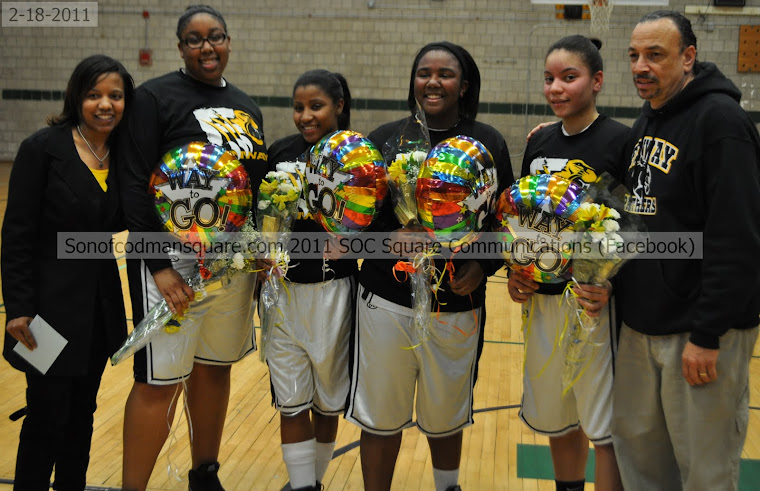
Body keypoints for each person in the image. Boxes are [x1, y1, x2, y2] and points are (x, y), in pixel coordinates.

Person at [344, 41, 514, 491]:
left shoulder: (487, 143)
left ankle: (448, 486)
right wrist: (387, 240)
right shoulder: (384, 139)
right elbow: (356, 222)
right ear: (413, 81)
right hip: (386, 300)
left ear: (464, 86)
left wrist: (484, 266)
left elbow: (503, 220)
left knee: (445, 415)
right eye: (424, 72)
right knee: (380, 416)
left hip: (457, 304)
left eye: (445, 73)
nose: (433, 81)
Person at [118, 5, 267, 490]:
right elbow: (134, 182)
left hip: (231, 261)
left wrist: (259, 249)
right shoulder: (154, 98)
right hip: (173, 264)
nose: (207, 47)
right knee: (158, 381)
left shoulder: (247, 108)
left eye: (216, 37)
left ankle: (205, 473)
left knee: (213, 368)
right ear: (180, 47)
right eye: (195, 39)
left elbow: (255, 189)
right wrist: (159, 266)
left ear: (229, 41)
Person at [612, 10, 760, 490]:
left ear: (689, 56)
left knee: (705, 473)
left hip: (698, 332)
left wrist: (708, 332)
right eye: (634, 55)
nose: (640, 66)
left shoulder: (722, 122)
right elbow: (637, 212)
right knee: (643, 466)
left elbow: (736, 237)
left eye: (655, 55)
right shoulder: (649, 118)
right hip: (642, 326)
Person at [2, 54, 133, 490]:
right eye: (94, 94)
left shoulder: (123, 154)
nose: (105, 104)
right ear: (76, 96)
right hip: (45, 312)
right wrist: (18, 308)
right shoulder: (43, 148)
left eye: (115, 95)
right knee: (46, 414)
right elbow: (17, 234)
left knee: (83, 415)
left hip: (98, 311)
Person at [507, 35, 627, 491]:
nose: (555, 87)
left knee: (603, 426)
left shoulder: (620, 141)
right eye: (549, 78)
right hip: (544, 302)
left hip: (594, 306)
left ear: (596, 81)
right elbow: (523, 220)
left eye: (568, 77)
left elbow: (631, 226)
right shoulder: (539, 144)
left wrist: (611, 284)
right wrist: (518, 273)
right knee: (560, 418)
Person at [265, 69, 354, 490]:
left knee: (327, 402)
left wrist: (355, 246)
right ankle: (302, 485)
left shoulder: (357, 156)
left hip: (335, 293)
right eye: (298, 107)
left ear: (338, 106)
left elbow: (373, 226)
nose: (305, 115)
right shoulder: (280, 153)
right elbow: (259, 218)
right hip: (282, 293)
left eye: (315, 106)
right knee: (290, 401)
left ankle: (315, 478)